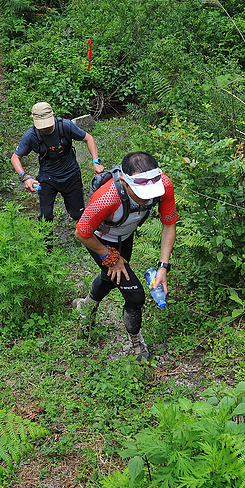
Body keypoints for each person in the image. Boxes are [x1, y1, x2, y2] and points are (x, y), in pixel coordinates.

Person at [74, 151, 177, 363]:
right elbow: (81, 232)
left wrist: (163, 267)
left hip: (125, 236)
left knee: (112, 279)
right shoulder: (107, 198)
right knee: (135, 295)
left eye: (151, 191)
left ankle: (85, 307)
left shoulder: (164, 185)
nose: (148, 196)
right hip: (99, 240)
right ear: (125, 181)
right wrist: (110, 256)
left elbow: (169, 223)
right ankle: (136, 342)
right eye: (141, 191)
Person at [10, 102, 104, 222]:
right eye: (41, 126)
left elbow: (88, 138)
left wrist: (95, 161)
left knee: (77, 214)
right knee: (45, 217)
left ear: (53, 115)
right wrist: (24, 177)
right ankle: (45, 240)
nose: (45, 128)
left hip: (71, 175)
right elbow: (15, 157)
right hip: (47, 178)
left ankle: (84, 235)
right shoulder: (31, 135)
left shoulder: (65, 126)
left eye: (47, 125)